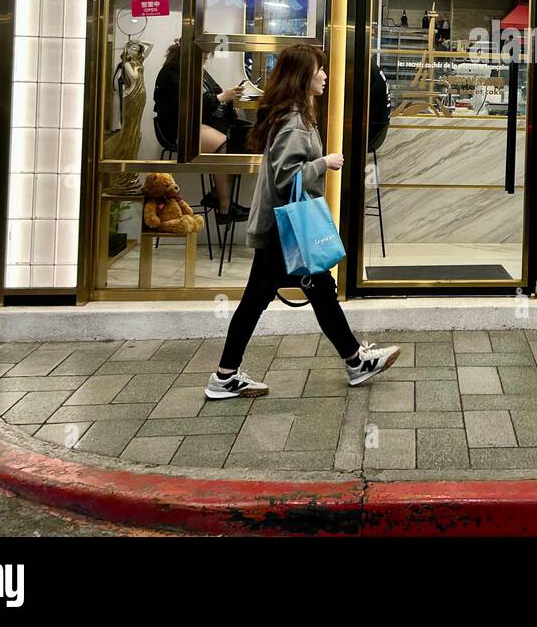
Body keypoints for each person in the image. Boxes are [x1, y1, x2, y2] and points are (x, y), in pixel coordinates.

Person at [206, 44, 400, 399]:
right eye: (318, 71)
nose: (325, 76)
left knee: (302, 294)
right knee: (299, 295)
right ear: (302, 77)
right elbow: (286, 177)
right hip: (285, 231)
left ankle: (227, 374)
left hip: (279, 229)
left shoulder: (292, 114)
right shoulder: (294, 121)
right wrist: (324, 163)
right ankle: (354, 362)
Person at [153, 39, 248, 223]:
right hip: (178, 128)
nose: (204, 62)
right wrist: (222, 97)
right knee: (223, 146)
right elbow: (189, 106)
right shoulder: (171, 73)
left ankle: (216, 194)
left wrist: (228, 96)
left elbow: (214, 93)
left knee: (239, 142)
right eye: (203, 58)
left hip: (199, 124)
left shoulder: (198, 71)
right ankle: (224, 208)